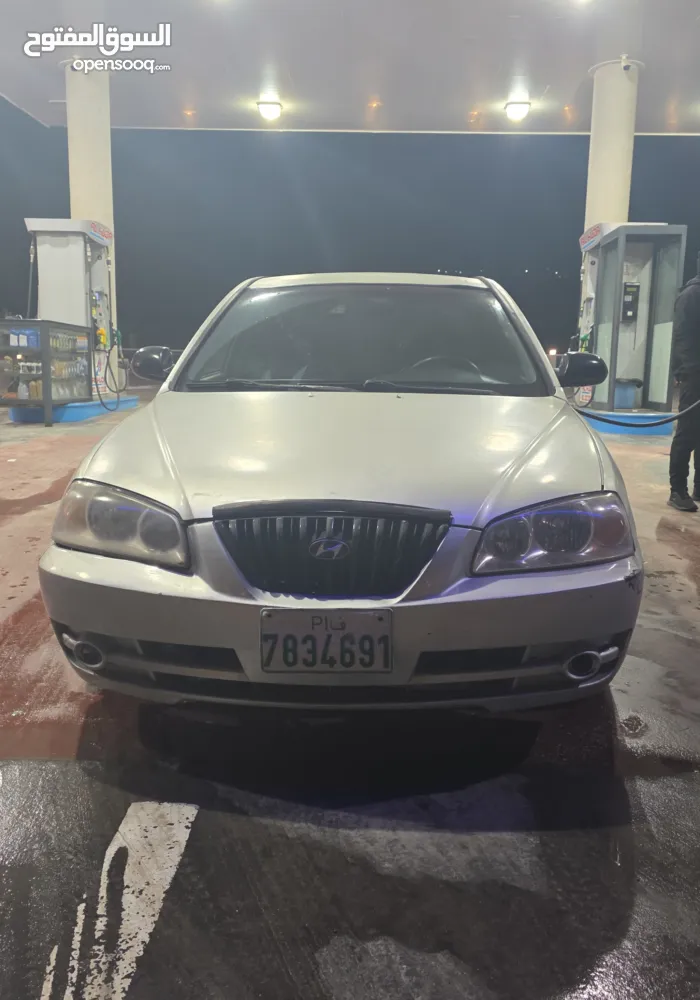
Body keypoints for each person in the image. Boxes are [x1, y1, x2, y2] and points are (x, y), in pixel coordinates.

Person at [669, 273, 700, 511]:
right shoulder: (691, 295)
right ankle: (677, 491)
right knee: (687, 433)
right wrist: (691, 371)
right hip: (695, 376)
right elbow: (682, 338)